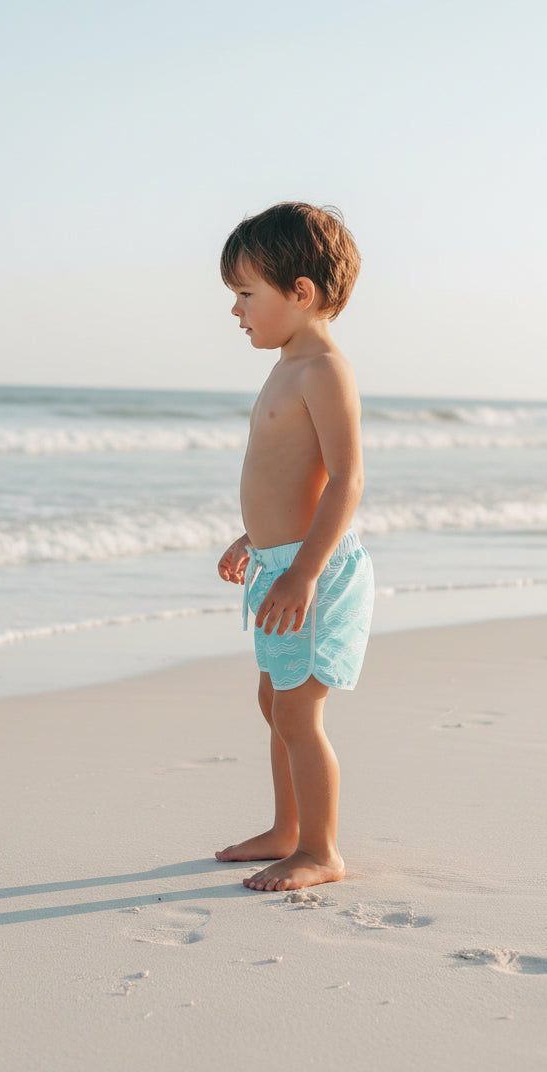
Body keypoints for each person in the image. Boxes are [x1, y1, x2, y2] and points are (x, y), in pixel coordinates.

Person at [216, 202, 374, 891]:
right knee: (273, 700)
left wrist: (304, 571)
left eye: (246, 294)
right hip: (278, 563)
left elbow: (346, 479)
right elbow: (288, 476)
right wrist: (254, 538)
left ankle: (321, 850)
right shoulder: (286, 365)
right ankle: (287, 830)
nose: (236, 311)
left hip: (317, 570)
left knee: (297, 711)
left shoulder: (323, 371)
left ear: (300, 292)